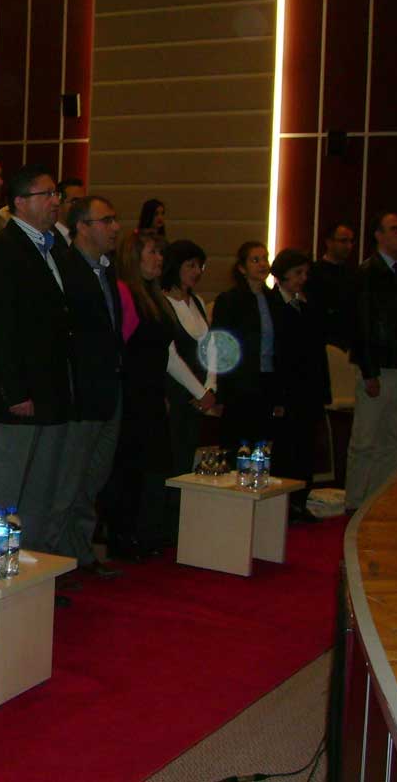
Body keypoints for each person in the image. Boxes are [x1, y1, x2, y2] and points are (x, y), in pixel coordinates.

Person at [0, 164, 72, 561]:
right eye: (45, 194)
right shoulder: (1, 250)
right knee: (4, 490)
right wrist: (15, 391)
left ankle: (29, 570)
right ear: (19, 202)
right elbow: (1, 327)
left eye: (56, 194)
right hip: (18, 395)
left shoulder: (54, 247)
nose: (55, 201)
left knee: (40, 492)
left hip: (52, 389)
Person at [53, 195, 124, 577]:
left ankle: (80, 552)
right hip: (79, 392)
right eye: (105, 220)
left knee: (93, 478)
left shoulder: (106, 270)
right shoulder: (65, 268)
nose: (115, 227)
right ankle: (59, 559)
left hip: (108, 389)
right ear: (81, 227)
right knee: (68, 482)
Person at [103, 231, 173, 560]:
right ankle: (121, 535)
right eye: (152, 253)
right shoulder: (124, 292)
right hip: (131, 392)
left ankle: (141, 531)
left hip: (152, 391)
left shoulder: (154, 295)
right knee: (127, 467)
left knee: (147, 466)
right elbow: (121, 346)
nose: (159, 259)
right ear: (134, 257)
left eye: (160, 253)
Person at [345, 211, 397, 509]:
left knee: (392, 438)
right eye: (394, 229)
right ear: (378, 235)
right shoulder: (367, 272)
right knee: (365, 438)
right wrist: (368, 371)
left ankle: (377, 500)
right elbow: (361, 325)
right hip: (377, 364)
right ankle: (355, 501)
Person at [160, 238, 218, 536]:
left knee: (185, 460)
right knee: (170, 459)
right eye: (190, 265)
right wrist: (199, 391)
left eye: (200, 266)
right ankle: (166, 525)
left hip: (199, 395)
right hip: (174, 392)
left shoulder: (197, 302)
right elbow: (170, 357)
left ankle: (180, 526)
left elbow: (211, 347)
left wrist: (211, 388)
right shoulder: (163, 302)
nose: (197, 272)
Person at [269, 248, 330, 522]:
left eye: (305, 273)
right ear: (282, 275)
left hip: (308, 389)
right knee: (285, 449)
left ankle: (300, 501)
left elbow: (318, 350)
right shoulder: (272, 305)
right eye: (297, 273)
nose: (303, 279)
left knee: (306, 449)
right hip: (286, 389)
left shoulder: (307, 304)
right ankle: (283, 504)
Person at [212, 241, 285, 450]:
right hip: (239, 382)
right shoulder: (229, 300)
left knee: (263, 444)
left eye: (265, 259)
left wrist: (280, 393)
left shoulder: (274, 299)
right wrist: (221, 392)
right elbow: (221, 347)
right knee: (237, 444)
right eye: (255, 260)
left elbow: (280, 347)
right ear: (242, 268)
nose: (263, 264)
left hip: (267, 380)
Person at [306, 222, 357, 349]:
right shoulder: (313, 272)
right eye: (343, 241)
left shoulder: (353, 274)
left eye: (351, 241)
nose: (348, 246)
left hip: (348, 341)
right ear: (329, 242)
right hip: (323, 341)